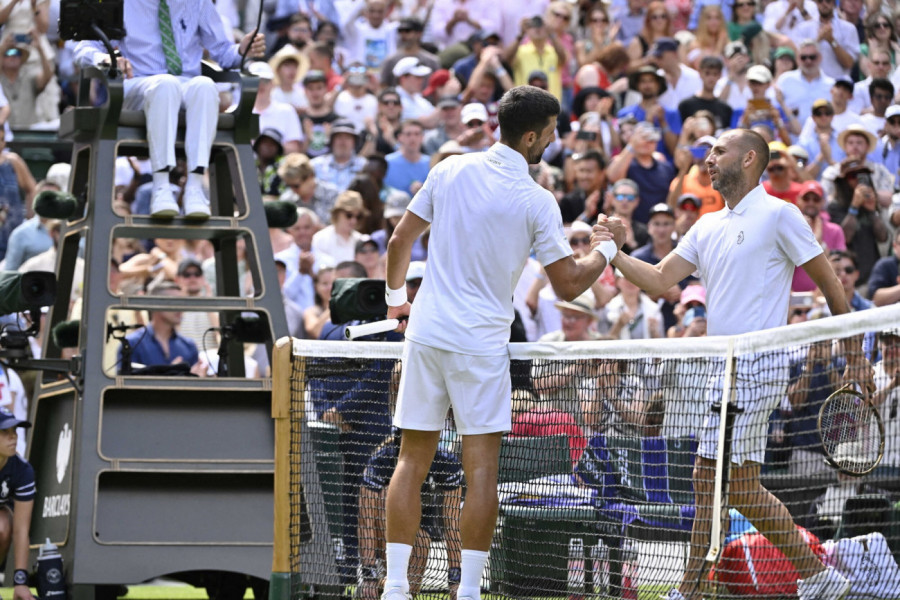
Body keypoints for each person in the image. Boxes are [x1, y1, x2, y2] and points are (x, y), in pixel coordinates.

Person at [607, 128, 873, 600]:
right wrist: (615, 252)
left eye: (718, 151)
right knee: (742, 489)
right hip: (721, 368)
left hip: (758, 366)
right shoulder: (707, 226)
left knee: (706, 479)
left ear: (749, 159)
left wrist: (853, 356)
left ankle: (689, 590)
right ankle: (818, 575)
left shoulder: (779, 215)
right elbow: (657, 279)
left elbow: (832, 288)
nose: (708, 159)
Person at [380, 85, 624, 600]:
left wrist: (396, 301)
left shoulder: (448, 170)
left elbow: (400, 241)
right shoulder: (537, 200)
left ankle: (396, 588)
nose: (553, 144)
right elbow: (570, 284)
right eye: (552, 134)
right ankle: (468, 592)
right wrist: (608, 248)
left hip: (425, 335)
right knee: (482, 470)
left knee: (411, 460)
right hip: (480, 346)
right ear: (532, 135)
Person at [73, 0, 265, 220]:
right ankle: (161, 186)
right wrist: (105, 57)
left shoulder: (198, 3)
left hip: (186, 86)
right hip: (138, 84)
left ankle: (194, 187)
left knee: (205, 86)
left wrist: (242, 50)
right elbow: (84, 48)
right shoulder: (122, 3)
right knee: (165, 84)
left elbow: (223, 53)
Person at [118, 280, 205, 376]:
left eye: (182, 302)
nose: (180, 308)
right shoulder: (131, 344)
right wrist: (170, 374)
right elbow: (125, 387)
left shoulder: (189, 346)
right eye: (174, 302)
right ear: (155, 304)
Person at [0, 407, 36, 600]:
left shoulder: (22, 470)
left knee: (3, 526)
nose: (13, 436)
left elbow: (21, 529)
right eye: (5, 432)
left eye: (14, 430)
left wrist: (21, 582)